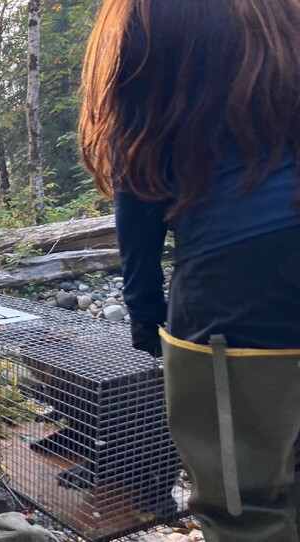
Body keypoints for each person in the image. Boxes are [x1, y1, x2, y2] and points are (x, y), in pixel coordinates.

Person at [80, 2, 300, 540]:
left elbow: (139, 177)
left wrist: (146, 313)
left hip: (237, 280)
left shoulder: (150, 15)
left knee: (245, 507)